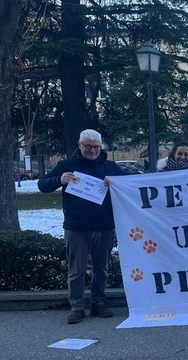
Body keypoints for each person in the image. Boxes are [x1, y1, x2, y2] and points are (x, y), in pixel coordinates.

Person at [38, 129, 124, 324]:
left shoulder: (110, 167)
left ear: (101, 146)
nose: (93, 150)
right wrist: (59, 180)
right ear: (79, 145)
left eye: (96, 147)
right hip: (76, 227)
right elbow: (42, 185)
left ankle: (98, 303)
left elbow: (133, 182)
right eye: (88, 146)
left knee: (102, 269)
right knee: (76, 270)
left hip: (104, 226)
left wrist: (117, 183)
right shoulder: (66, 165)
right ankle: (76, 307)